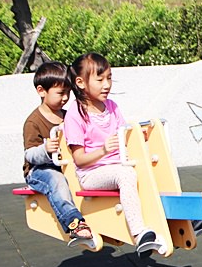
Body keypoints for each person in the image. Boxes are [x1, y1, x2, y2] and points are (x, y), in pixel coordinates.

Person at [63, 52, 168, 256]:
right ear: (80, 82)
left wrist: (140, 137)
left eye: (109, 78)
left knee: (151, 167)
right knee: (126, 174)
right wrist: (103, 149)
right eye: (100, 79)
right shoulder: (76, 113)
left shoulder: (112, 107)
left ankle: (175, 219)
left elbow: (124, 137)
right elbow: (79, 159)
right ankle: (139, 234)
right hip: (92, 173)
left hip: (118, 164)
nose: (106, 84)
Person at [22, 62, 94, 249]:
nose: (65, 98)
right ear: (41, 91)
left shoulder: (68, 115)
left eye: (68, 93)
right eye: (60, 93)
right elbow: (29, 154)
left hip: (66, 165)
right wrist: (46, 150)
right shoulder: (33, 121)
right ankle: (73, 223)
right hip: (40, 170)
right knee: (57, 181)